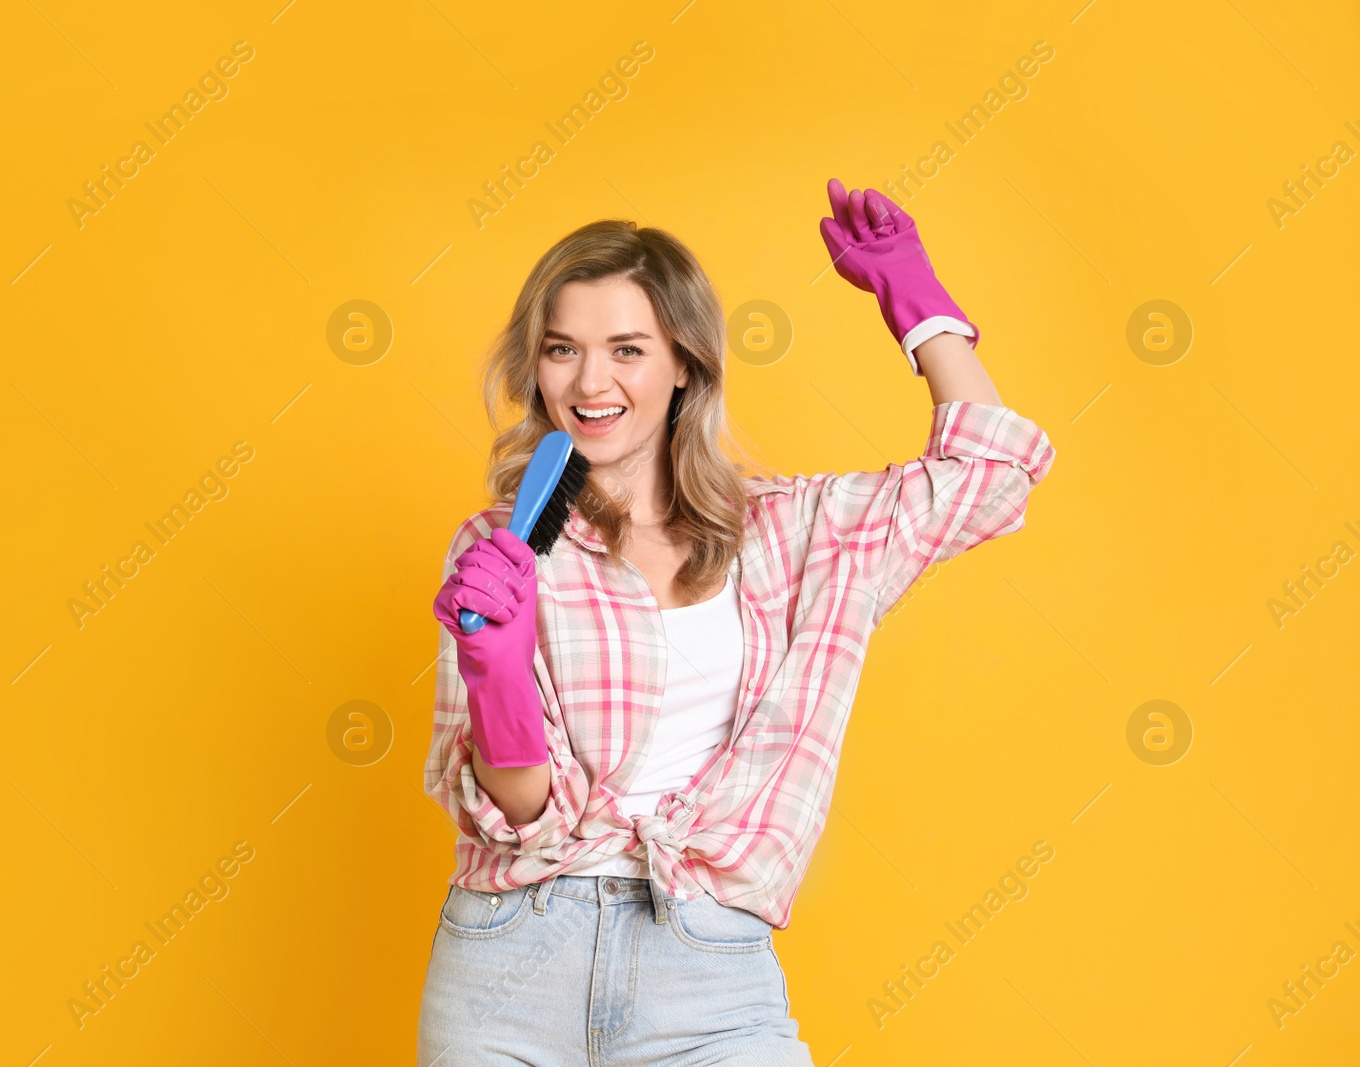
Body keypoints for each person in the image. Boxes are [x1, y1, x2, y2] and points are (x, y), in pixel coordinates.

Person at [419, 178, 1056, 1065]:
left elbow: (993, 472)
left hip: (709, 970)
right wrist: (494, 669)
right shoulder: (501, 549)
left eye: (627, 349)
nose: (589, 381)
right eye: (561, 349)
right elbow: (521, 808)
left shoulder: (800, 534)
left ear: (685, 361)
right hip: (508, 966)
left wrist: (916, 303)